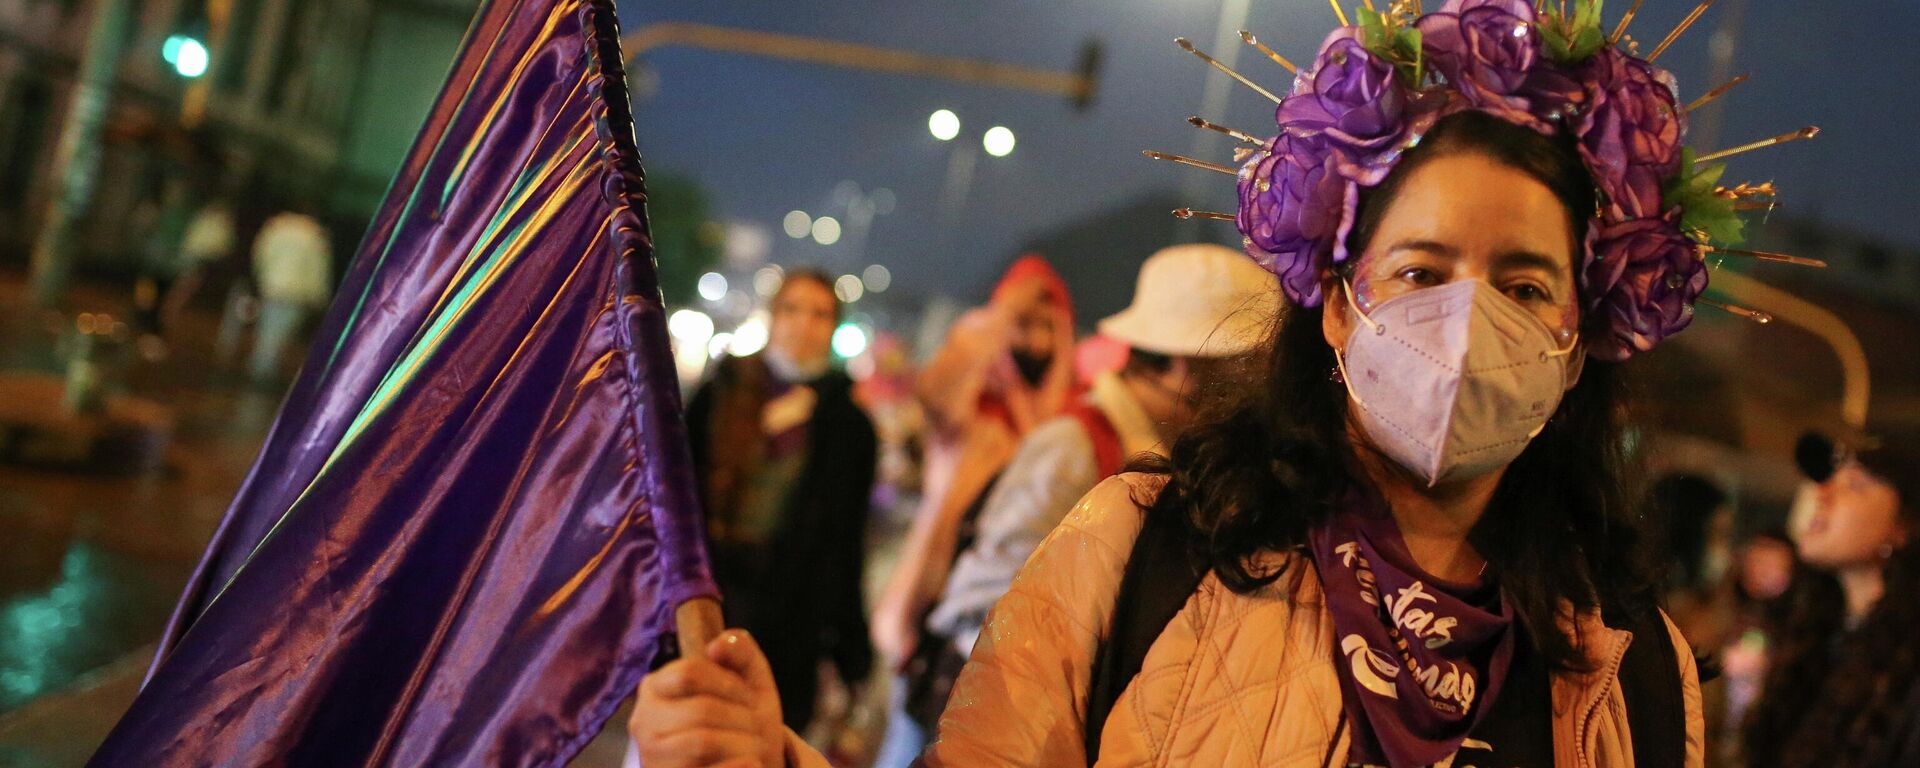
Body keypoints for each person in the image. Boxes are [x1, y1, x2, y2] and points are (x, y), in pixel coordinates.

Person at [632, 5, 1757, 762]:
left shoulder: (1634, 673)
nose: (1468, 322)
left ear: (1581, 332)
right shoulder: (1142, 546)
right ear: (1336, 299)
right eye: (1420, 271)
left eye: (1524, 284)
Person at [899, 243, 1275, 739]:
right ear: (1187, 366)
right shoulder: (1076, 442)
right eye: (1241, 368)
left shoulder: (1158, 445)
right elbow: (989, 596)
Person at [866, 254, 1077, 764]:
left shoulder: (1066, 425)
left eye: (1047, 328)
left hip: (1015, 638)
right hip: (937, 618)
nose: (1034, 341)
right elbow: (936, 386)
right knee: (908, 743)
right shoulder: (972, 413)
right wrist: (1005, 311)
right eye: (1023, 326)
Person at [684, 269, 877, 735]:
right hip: (705, 601)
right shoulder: (722, 390)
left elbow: (846, 542)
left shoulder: (848, 424)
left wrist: (850, 648)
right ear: (773, 315)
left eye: (819, 313)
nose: (802, 324)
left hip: (790, 622)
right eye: (791, 309)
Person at [1740, 431, 1920, 767]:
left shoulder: (1908, 664)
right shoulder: (1816, 636)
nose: (1823, 492)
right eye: (1829, 479)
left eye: (1855, 484)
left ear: (1903, 527)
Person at [248, 206, 334, 381]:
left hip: (272, 286)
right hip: (296, 291)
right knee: (281, 333)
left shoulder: (275, 228)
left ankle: (260, 368)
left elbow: (260, 255)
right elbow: (317, 269)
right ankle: (263, 372)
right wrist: (319, 296)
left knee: (268, 330)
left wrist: (260, 278)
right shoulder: (314, 236)